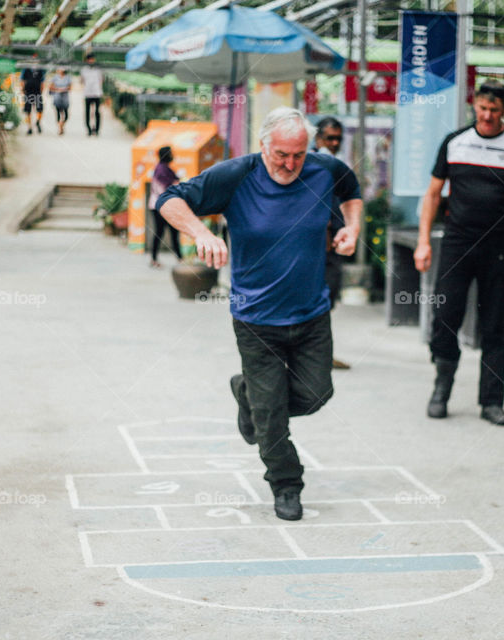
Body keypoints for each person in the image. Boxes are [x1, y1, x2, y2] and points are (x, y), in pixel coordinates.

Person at [156, 107, 362, 521]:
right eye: (281, 154)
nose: (289, 164)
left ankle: (247, 392)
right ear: (263, 145)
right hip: (257, 318)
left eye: (298, 155)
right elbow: (168, 200)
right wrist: (202, 232)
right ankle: (286, 484)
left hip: (311, 313)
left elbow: (352, 191)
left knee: (316, 393)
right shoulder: (236, 175)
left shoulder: (325, 168)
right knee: (270, 419)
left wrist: (352, 228)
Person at [414, 80, 504, 427]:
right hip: (457, 241)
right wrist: (424, 241)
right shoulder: (455, 142)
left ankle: (491, 402)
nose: (487, 116)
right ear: (475, 105)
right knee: (444, 317)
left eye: (494, 111)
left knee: (495, 324)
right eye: (482, 109)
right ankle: (441, 388)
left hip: (500, 245)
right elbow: (432, 195)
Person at [313, 116, 350, 369]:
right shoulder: (313, 163)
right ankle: (314, 356)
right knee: (320, 296)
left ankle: (321, 353)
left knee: (329, 296)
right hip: (318, 244)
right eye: (330, 138)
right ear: (318, 139)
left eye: (338, 138)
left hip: (334, 241)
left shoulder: (335, 164)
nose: (334, 143)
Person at [148, 146, 181, 268]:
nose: (173, 155)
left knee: (168, 231)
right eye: (171, 153)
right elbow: (165, 188)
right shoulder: (162, 170)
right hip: (159, 206)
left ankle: (178, 257)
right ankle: (155, 258)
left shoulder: (164, 168)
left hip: (162, 205)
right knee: (161, 232)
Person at [80, 54, 103, 136]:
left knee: (97, 112)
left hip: (97, 92)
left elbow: (101, 80)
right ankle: (89, 129)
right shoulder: (84, 70)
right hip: (88, 93)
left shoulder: (98, 69)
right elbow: (82, 80)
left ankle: (96, 129)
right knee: (87, 112)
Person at [20, 60, 45, 135]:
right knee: (28, 111)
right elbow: (22, 80)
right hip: (28, 92)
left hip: (37, 92)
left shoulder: (40, 71)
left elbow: (42, 82)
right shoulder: (26, 70)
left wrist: (41, 91)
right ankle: (29, 127)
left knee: (40, 110)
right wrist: (23, 90)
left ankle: (38, 122)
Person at [49, 68, 71, 135]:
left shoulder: (68, 77)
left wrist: (63, 89)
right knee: (58, 112)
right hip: (57, 97)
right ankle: (60, 127)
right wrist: (58, 89)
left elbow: (70, 87)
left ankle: (62, 124)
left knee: (66, 114)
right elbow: (51, 87)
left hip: (65, 97)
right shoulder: (55, 77)